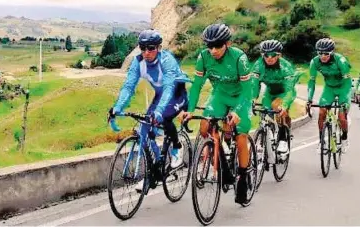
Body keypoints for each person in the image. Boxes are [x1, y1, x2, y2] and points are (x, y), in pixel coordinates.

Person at [108, 29, 190, 191]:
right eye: (142, 48)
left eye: (151, 48)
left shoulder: (167, 60)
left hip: (176, 94)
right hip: (160, 96)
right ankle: (152, 172)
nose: (146, 52)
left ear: (159, 48)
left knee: (164, 117)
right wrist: (117, 107)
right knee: (144, 127)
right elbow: (128, 87)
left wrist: (159, 111)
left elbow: (168, 88)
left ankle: (177, 148)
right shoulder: (138, 62)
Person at [180, 23, 252, 204]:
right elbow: (197, 86)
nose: (213, 50)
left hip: (240, 98)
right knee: (205, 126)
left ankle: (243, 177)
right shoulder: (203, 57)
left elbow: (247, 90)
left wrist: (237, 111)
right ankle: (218, 156)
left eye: (217, 46)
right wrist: (189, 110)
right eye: (209, 46)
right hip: (219, 95)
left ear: (227, 43)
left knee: (241, 135)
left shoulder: (239, 58)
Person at [251, 40, 301, 155]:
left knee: (277, 107)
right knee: (265, 113)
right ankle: (265, 138)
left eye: (273, 55)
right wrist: (252, 99)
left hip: (285, 93)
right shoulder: (258, 65)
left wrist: (284, 105)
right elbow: (254, 85)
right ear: (262, 55)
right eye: (266, 55)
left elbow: (289, 90)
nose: (269, 58)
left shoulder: (285, 67)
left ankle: (283, 138)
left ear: (279, 55)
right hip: (270, 93)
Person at [307, 38, 351, 153]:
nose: (323, 56)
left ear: (332, 52)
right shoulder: (315, 62)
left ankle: (345, 138)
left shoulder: (340, 61)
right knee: (322, 113)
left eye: (326, 53)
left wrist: (345, 101)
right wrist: (309, 99)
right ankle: (322, 141)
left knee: (342, 116)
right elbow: (312, 81)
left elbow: (347, 81)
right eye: (320, 53)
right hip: (329, 88)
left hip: (343, 87)